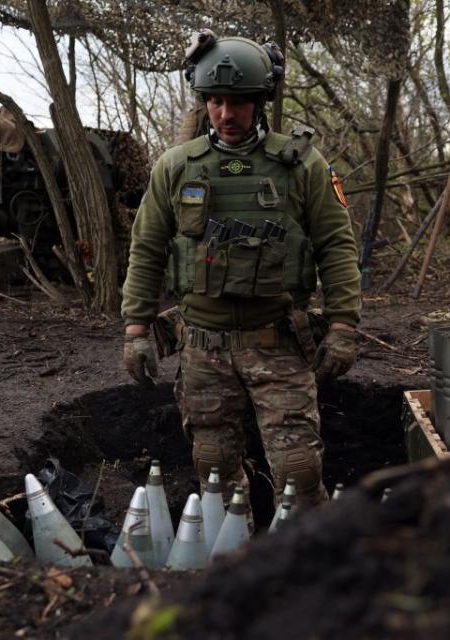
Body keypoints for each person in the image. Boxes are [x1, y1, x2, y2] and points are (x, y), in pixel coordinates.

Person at [121, 32, 362, 516]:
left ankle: (301, 565)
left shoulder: (302, 166)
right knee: (213, 468)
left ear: (261, 102)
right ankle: (230, 564)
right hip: (203, 347)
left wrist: (342, 326)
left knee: (298, 469)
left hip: (279, 342)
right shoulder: (175, 168)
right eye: (215, 101)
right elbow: (146, 249)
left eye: (239, 102)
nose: (226, 114)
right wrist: (136, 330)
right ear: (204, 101)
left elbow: (337, 245)